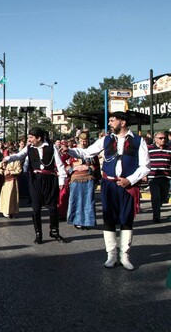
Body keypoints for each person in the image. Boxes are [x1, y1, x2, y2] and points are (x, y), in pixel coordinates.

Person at [67, 112, 150, 270]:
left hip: (127, 185)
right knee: (109, 219)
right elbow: (86, 152)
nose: (110, 123)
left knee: (126, 220)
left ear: (123, 122)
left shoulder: (139, 141)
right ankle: (111, 255)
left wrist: (130, 180)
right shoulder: (106, 139)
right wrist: (69, 151)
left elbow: (145, 166)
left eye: (113, 120)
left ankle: (125, 256)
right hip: (109, 184)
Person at [4, 127, 68, 244]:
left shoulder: (51, 147)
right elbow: (19, 155)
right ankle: (38, 234)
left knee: (53, 207)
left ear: (38, 138)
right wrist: (7, 158)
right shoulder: (29, 148)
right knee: (36, 208)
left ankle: (54, 231)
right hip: (35, 180)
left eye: (31, 137)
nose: (29, 139)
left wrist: (61, 180)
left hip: (49, 179)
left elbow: (59, 164)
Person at [66, 132, 100, 230]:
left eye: (85, 141)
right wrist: (73, 169)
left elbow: (96, 165)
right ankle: (76, 221)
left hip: (88, 178)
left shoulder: (92, 152)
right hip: (75, 179)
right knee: (76, 200)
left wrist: (88, 167)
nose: (83, 143)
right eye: (81, 141)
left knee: (88, 200)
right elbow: (63, 163)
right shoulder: (72, 151)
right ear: (78, 141)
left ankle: (87, 222)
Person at [146, 131, 171, 223]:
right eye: (160, 138)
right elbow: (144, 162)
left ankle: (157, 207)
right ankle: (156, 216)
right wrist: (144, 174)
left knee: (164, 196)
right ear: (155, 139)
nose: (163, 140)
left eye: (164, 138)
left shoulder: (169, 149)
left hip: (166, 177)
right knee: (156, 196)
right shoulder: (149, 149)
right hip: (153, 177)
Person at [0, 147, 21, 218]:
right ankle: (5, 211)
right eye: (12, 153)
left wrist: (10, 172)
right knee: (7, 196)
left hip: (14, 180)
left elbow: (19, 170)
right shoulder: (5, 161)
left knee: (13, 197)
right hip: (7, 181)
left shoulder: (17, 161)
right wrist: (3, 172)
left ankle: (12, 211)